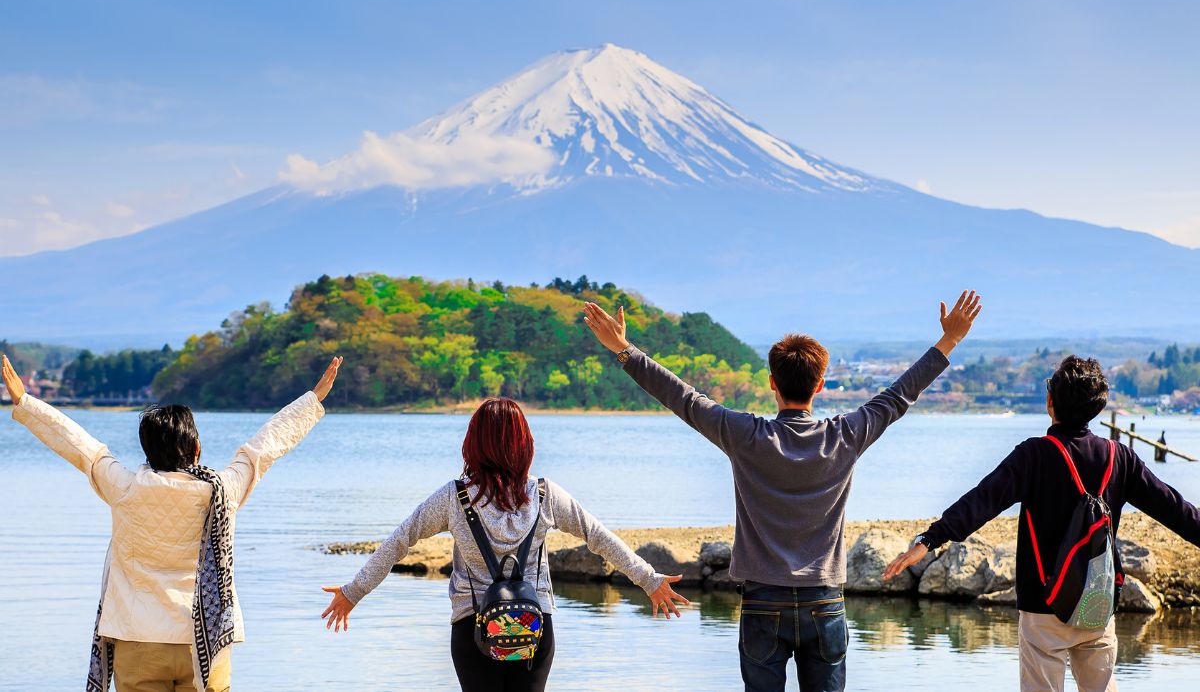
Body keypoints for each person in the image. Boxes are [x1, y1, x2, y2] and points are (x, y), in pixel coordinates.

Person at [583, 291, 983, 692]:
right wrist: (949, 341)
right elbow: (900, 396)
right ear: (821, 385)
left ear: (772, 382)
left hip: (762, 601)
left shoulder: (745, 435)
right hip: (824, 601)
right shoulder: (845, 435)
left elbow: (683, 398)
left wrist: (623, 349)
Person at [1, 352, 342, 692]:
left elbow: (83, 448)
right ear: (196, 448)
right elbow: (261, 449)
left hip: (138, 639)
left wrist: (26, 404)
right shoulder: (222, 491)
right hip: (207, 641)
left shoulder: (125, 487)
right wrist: (311, 401)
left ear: (147, 451)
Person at [319, 396, 689, 692]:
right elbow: (600, 539)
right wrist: (649, 580)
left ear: (473, 443)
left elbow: (401, 540)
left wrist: (355, 591)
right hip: (534, 626)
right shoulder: (545, 495)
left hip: (473, 628)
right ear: (524, 442)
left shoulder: (454, 497)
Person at [882, 354, 1200, 692]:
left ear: (1050, 402)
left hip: (1042, 604)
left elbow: (981, 502)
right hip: (1097, 601)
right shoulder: (1120, 458)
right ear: (1099, 407)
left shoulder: (1033, 455)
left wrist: (930, 540)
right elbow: (1177, 510)